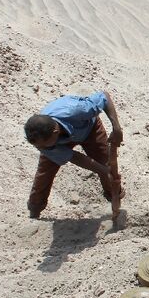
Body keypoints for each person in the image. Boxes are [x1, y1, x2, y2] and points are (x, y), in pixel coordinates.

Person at [24, 91, 123, 219]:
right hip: (59, 139)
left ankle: (116, 203)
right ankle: (34, 214)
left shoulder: (77, 110)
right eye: (39, 146)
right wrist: (103, 171)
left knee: (105, 162)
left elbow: (104, 97)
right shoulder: (38, 139)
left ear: (56, 132)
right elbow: (74, 157)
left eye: (44, 146)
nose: (41, 149)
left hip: (88, 129)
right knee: (44, 174)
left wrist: (117, 128)